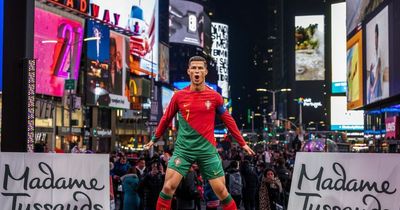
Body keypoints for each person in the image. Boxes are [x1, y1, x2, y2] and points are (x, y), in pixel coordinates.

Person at [145, 56, 255, 210]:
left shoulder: (215, 97)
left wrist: (242, 142)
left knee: (222, 191)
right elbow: (166, 118)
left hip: (207, 150)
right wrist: (154, 138)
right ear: (189, 71)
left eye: (200, 68)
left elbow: (229, 120)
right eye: (194, 68)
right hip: (184, 149)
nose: (197, 71)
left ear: (205, 72)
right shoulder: (178, 96)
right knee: (168, 187)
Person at [368, 24, 382, 103]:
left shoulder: (378, 51)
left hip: (376, 82)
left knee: (377, 101)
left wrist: (373, 87)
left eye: (376, 37)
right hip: (373, 81)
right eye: (374, 37)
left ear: (378, 37)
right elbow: (372, 68)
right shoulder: (374, 51)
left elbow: (377, 69)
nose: (375, 39)